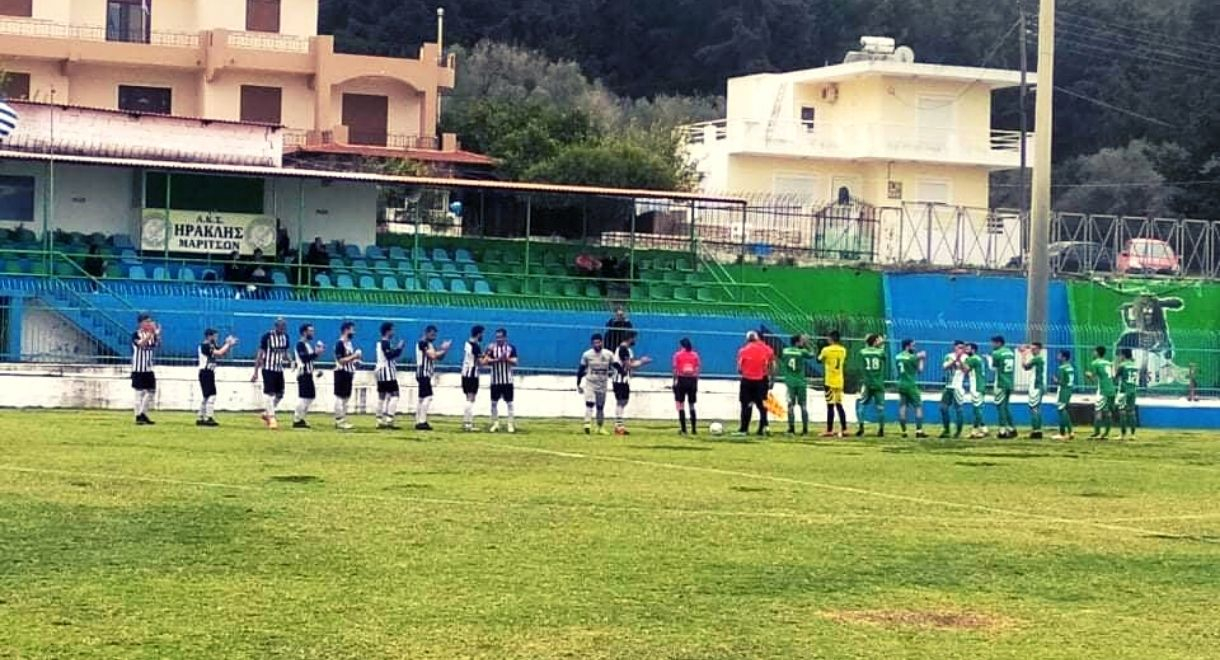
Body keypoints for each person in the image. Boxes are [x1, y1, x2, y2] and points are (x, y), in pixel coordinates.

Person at [252, 317, 291, 430]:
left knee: (280, 394)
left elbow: (285, 352)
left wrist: (291, 361)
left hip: (279, 369)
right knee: (269, 393)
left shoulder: (285, 337)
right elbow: (260, 354)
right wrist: (255, 372)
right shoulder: (267, 337)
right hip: (268, 368)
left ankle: (267, 413)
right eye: (280, 326)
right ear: (276, 326)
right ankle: (272, 418)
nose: (282, 328)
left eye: (284, 326)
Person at [611, 332, 652, 435]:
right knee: (621, 401)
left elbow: (631, 363)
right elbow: (629, 365)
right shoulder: (623, 349)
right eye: (634, 338)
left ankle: (618, 424)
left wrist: (637, 364)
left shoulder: (627, 350)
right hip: (620, 379)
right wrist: (642, 362)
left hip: (625, 379)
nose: (635, 341)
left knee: (623, 401)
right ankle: (619, 426)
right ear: (630, 339)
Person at [735, 330, 775, 437]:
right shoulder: (768, 349)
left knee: (746, 404)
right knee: (762, 405)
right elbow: (773, 366)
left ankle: (744, 429)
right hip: (762, 379)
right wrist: (772, 379)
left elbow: (739, 368)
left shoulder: (743, 350)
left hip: (747, 380)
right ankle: (763, 427)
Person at [196, 328, 237, 427]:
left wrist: (228, 345)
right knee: (212, 395)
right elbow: (219, 353)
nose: (216, 338)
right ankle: (209, 417)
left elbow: (222, 352)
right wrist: (228, 343)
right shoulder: (205, 346)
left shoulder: (210, 345)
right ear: (209, 336)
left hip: (208, 372)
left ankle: (201, 416)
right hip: (206, 372)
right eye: (215, 336)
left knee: (206, 396)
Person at [414, 325, 452, 431]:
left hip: (425, 373)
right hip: (423, 373)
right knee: (428, 397)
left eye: (435, 335)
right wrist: (443, 349)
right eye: (432, 334)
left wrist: (444, 351)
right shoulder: (423, 343)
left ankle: (419, 420)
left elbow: (438, 357)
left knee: (422, 398)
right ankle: (422, 421)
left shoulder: (429, 344)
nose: (434, 337)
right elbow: (433, 356)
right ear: (426, 333)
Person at [578, 334, 616, 435]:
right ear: (592, 344)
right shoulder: (587, 354)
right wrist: (578, 383)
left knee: (600, 406)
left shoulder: (608, 354)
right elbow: (581, 369)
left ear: (602, 342)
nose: (597, 345)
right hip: (590, 382)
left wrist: (617, 372)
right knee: (589, 403)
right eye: (594, 343)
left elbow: (615, 365)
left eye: (598, 342)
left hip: (602, 383)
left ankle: (600, 427)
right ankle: (587, 424)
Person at [485, 328, 519, 433]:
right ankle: (495, 423)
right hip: (495, 380)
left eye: (500, 337)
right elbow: (486, 360)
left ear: (505, 337)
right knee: (494, 403)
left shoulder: (510, 348)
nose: (498, 339)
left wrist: (506, 359)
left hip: (507, 380)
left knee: (509, 403)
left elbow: (515, 361)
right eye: (497, 337)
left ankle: (510, 424)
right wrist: (497, 360)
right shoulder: (491, 348)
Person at [780, 334, 814, 436]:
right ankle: (805, 429)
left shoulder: (785, 351)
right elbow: (812, 354)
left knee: (790, 405)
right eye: (801, 341)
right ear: (797, 342)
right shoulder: (802, 352)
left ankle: (791, 429)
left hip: (790, 382)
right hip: (801, 382)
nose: (802, 343)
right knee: (803, 406)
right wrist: (807, 344)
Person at [292, 323, 325, 429]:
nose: (312, 333)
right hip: (303, 373)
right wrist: (316, 353)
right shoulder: (300, 345)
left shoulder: (307, 345)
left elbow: (309, 361)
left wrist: (315, 371)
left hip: (308, 373)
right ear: (304, 332)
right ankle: (297, 419)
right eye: (310, 331)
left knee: (310, 396)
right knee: (304, 396)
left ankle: (301, 418)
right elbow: (304, 359)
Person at [131, 313, 161, 425]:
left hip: (148, 367)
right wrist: (151, 334)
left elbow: (157, 345)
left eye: (150, 322)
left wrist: (157, 335)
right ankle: (137, 415)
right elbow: (140, 344)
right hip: (138, 368)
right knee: (138, 392)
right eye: (147, 322)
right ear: (141, 323)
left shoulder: (151, 335)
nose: (149, 324)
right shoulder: (136, 334)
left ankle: (142, 413)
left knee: (151, 391)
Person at [375, 322, 406, 429]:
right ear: (388, 331)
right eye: (392, 330)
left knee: (382, 396)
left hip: (381, 371)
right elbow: (389, 355)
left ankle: (379, 420)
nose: (393, 332)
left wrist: (397, 350)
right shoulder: (385, 343)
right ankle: (389, 419)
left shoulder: (381, 343)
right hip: (387, 372)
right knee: (395, 395)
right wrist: (399, 348)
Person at [818, 330, 849, 438]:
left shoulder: (826, 350)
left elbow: (819, 359)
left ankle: (829, 430)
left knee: (830, 406)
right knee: (839, 405)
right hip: (839, 381)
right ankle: (844, 429)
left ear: (831, 338)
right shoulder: (843, 350)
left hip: (829, 381)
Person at [895, 339, 928, 438]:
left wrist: (917, 356)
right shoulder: (912, 357)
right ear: (907, 346)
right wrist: (922, 359)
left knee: (902, 407)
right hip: (911, 384)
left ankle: (904, 431)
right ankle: (919, 430)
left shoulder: (898, 356)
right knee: (918, 406)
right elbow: (920, 370)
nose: (914, 348)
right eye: (913, 345)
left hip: (901, 383)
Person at [856, 334, 887, 437]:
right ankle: (881, 429)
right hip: (878, 383)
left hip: (867, 383)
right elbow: (884, 357)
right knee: (880, 407)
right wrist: (882, 345)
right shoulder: (880, 352)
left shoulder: (862, 352)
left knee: (862, 405)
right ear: (875, 342)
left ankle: (861, 427)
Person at [333, 321, 361, 430]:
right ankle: (339, 420)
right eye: (352, 330)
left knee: (346, 397)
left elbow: (348, 359)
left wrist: (356, 362)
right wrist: (354, 356)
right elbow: (340, 360)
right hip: (341, 372)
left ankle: (342, 419)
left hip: (348, 372)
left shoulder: (349, 344)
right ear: (346, 330)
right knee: (340, 396)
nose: (354, 332)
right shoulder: (340, 344)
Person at [1085, 346, 1118, 440]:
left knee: (1098, 411)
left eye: (1094, 351)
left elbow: (1093, 378)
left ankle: (1097, 432)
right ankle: (1106, 433)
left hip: (1103, 391)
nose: (1093, 353)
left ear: (1097, 352)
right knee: (1107, 412)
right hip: (1111, 389)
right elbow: (1112, 376)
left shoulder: (1095, 363)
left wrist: (1088, 375)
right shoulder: (1109, 363)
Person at [672, 337, 701, 435]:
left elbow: (675, 370)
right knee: (692, 405)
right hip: (692, 380)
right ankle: (694, 429)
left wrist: (674, 381)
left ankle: (684, 429)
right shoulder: (695, 355)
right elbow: (697, 369)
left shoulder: (678, 355)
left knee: (680, 404)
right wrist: (695, 381)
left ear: (682, 346)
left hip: (681, 379)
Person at [938, 340, 967, 439]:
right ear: (954, 347)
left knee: (958, 409)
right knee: (943, 408)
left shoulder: (966, 357)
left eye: (962, 348)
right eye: (959, 347)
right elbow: (945, 367)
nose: (960, 350)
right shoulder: (949, 356)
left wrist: (960, 361)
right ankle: (946, 429)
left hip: (958, 387)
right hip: (948, 386)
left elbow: (966, 370)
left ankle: (958, 431)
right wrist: (955, 360)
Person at [990, 335, 1017, 439]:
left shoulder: (996, 353)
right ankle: (1012, 428)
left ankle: (1002, 431)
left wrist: (989, 359)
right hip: (1009, 382)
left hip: (1000, 382)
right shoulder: (1010, 352)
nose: (992, 345)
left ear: (999, 343)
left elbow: (993, 367)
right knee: (1005, 407)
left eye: (993, 343)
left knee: (1000, 407)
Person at [460, 325, 486, 433]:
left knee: (468, 398)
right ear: (479, 334)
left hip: (465, 373)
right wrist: (488, 355)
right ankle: (468, 423)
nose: (483, 336)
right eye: (482, 333)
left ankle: (466, 422)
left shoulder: (467, 343)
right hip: (472, 374)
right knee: (471, 398)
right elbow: (481, 362)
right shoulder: (475, 346)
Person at [1021, 342, 1047, 440]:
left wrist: (1023, 355)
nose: (1032, 351)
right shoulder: (1039, 359)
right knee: (1037, 408)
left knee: (1034, 408)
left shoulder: (1037, 359)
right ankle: (1037, 430)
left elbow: (1025, 366)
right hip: (1039, 386)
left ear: (1039, 349)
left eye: (1034, 349)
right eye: (1032, 349)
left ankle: (1036, 430)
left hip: (1035, 386)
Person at [964, 343, 988, 438]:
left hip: (976, 386)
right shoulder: (979, 358)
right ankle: (979, 429)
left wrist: (959, 360)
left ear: (973, 350)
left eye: (968, 349)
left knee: (977, 409)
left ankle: (979, 430)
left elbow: (965, 370)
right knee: (977, 408)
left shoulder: (972, 359)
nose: (966, 350)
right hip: (981, 384)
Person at [1116, 348, 1140, 439]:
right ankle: (1133, 434)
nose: (1120, 357)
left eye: (1120, 355)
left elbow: (1116, 377)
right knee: (1132, 412)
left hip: (1124, 390)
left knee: (1122, 411)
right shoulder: (1135, 366)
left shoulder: (1122, 365)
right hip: (1133, 390)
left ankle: (1123, 434)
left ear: (1124, 355)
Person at [1053, 350, 1076, 441]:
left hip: (1063, 390)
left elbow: (1062, 382)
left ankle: (1067, 432)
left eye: (1059, 355)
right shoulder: (1070, 367)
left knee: (1061, 410)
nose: (1058, 357)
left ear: (1064, 357)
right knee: (1063, 410)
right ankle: (1065, 432)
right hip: (1069, 390)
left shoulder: (1062, 368)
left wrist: (1056, 381)